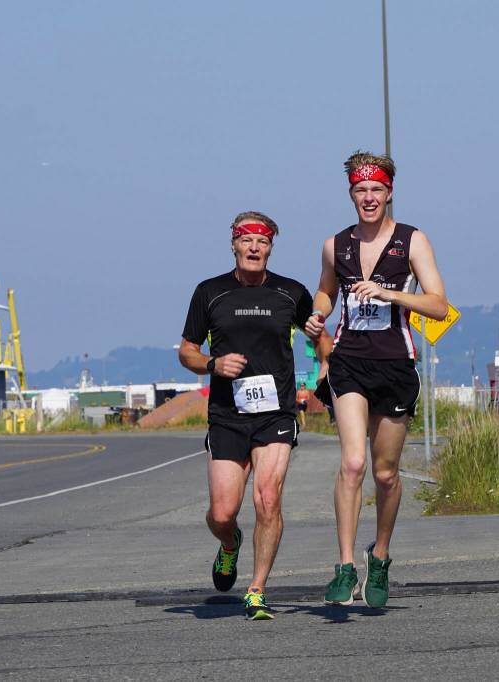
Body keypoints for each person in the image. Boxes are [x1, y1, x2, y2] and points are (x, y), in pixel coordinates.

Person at [305, 151, 449, 608]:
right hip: (349, 364)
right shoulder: (335, 245)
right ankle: (345, 566)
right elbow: (326, 290)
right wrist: (317, 314)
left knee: (385, 474)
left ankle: (380, 555)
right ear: (351, 195)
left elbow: (439, 306)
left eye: (376, 190)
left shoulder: (412, 241)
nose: (368, 198)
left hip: (394, 365)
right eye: (360, 191)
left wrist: (388, 292)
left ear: (389, 193)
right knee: (353, 464)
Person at [179, 211, 323, 621]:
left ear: (271, 247)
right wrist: (212, 365)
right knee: (223, 512)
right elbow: (186, 351)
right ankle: (229, 544)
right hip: (227, 414)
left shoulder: (290, 293)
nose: (255, 247)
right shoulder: (210, 292)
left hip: (275, 412)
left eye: (262, 241)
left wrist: (320, 375)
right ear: (234, 244)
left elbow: (319, 336)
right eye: (247, 240)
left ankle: (257, 590)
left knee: (268, 498)